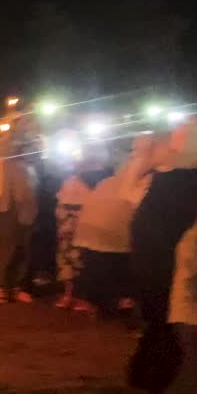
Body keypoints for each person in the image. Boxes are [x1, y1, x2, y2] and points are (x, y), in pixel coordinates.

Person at [128, 123, 197, 394]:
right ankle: (159, 383)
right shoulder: (184, 183)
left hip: (155, 263)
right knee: (165, 324)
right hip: (165, 266)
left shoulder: (165, 181)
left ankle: (149, 378)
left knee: (159, 322)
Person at [73, 136, 154, 321]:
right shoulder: (143, 171)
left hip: (96, 226)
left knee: (101, 266)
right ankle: (119, 303)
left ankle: (101, 304)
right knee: (116, 267)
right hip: (115, 227)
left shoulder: (116, 176)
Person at [151, 212, 197, 394]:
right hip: (191, 317)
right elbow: (194, 282)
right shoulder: (194, 239)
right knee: (196, 380)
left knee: (190, 374)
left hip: (191, 315)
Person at [55, 154, 113, 310]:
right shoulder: (69, 181)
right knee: (66, 259)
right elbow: (60, 204)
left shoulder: (95, 181)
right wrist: (62, 224)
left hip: (82, 225)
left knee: (80, 260)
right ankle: (68, 294)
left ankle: (82, 297)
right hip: (67, 225)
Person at [0, 130, 38, 304]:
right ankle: (0, 287)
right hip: (8, 210)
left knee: (23, 249)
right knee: (5, 249)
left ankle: (17, 286)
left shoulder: (31, 167)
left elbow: (32, 191)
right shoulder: (3, 163)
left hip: (27, 212)